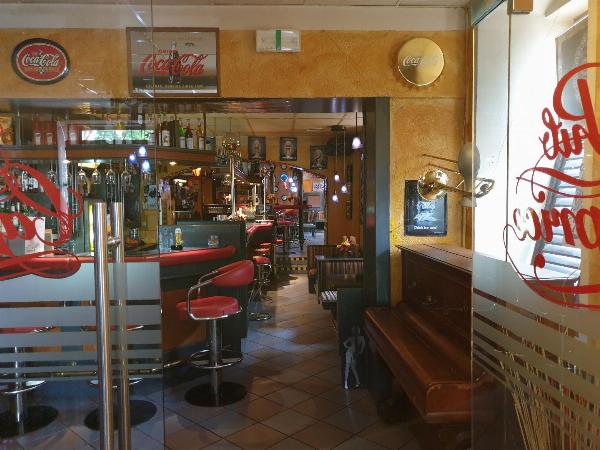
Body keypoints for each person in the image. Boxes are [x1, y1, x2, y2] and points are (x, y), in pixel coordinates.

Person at [343, 325, 366, 389]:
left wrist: (347, 347)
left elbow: (344, 343)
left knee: (351, 367)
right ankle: (350, 383)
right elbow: (363, 345)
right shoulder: (361, 338)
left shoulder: (354, 338)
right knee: (350, 367)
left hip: (352, 352)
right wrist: (361, 350)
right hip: (352, 352)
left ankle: (353, 382)